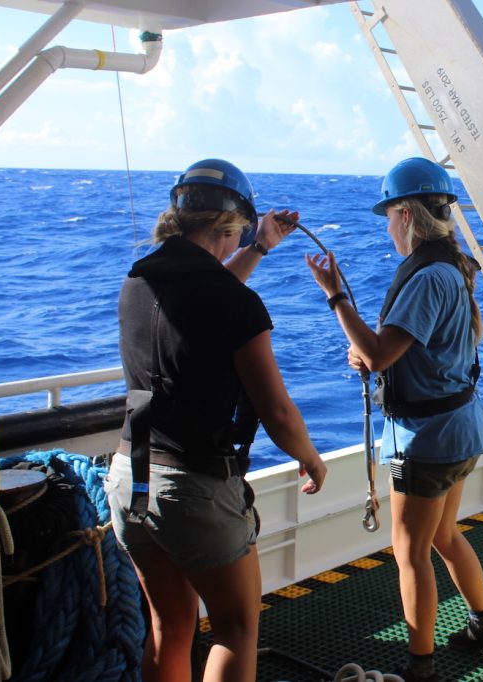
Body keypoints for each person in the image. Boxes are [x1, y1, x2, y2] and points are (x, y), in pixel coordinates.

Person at [106, 158, 327, 682]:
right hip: (194, 487)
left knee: (169, 625)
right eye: (240, 234)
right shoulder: (237, 304)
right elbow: (276, 410)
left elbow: (204, 293)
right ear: (231, 226)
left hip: (129, 476)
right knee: (234, 627)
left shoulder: (139, 280)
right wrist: (310, 457)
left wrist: (261, 246)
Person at [305, 157, 483, 681]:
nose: (388, 227)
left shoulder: (426, 277)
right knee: (444, 536)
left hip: (427, 441)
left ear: (404, 214)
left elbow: (376, 356)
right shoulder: (452, 269)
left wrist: (335, 297)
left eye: (389, 216)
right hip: (463, 427)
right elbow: (399, 350)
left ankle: (420, 666)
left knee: (409, 550)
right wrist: (368, 349)